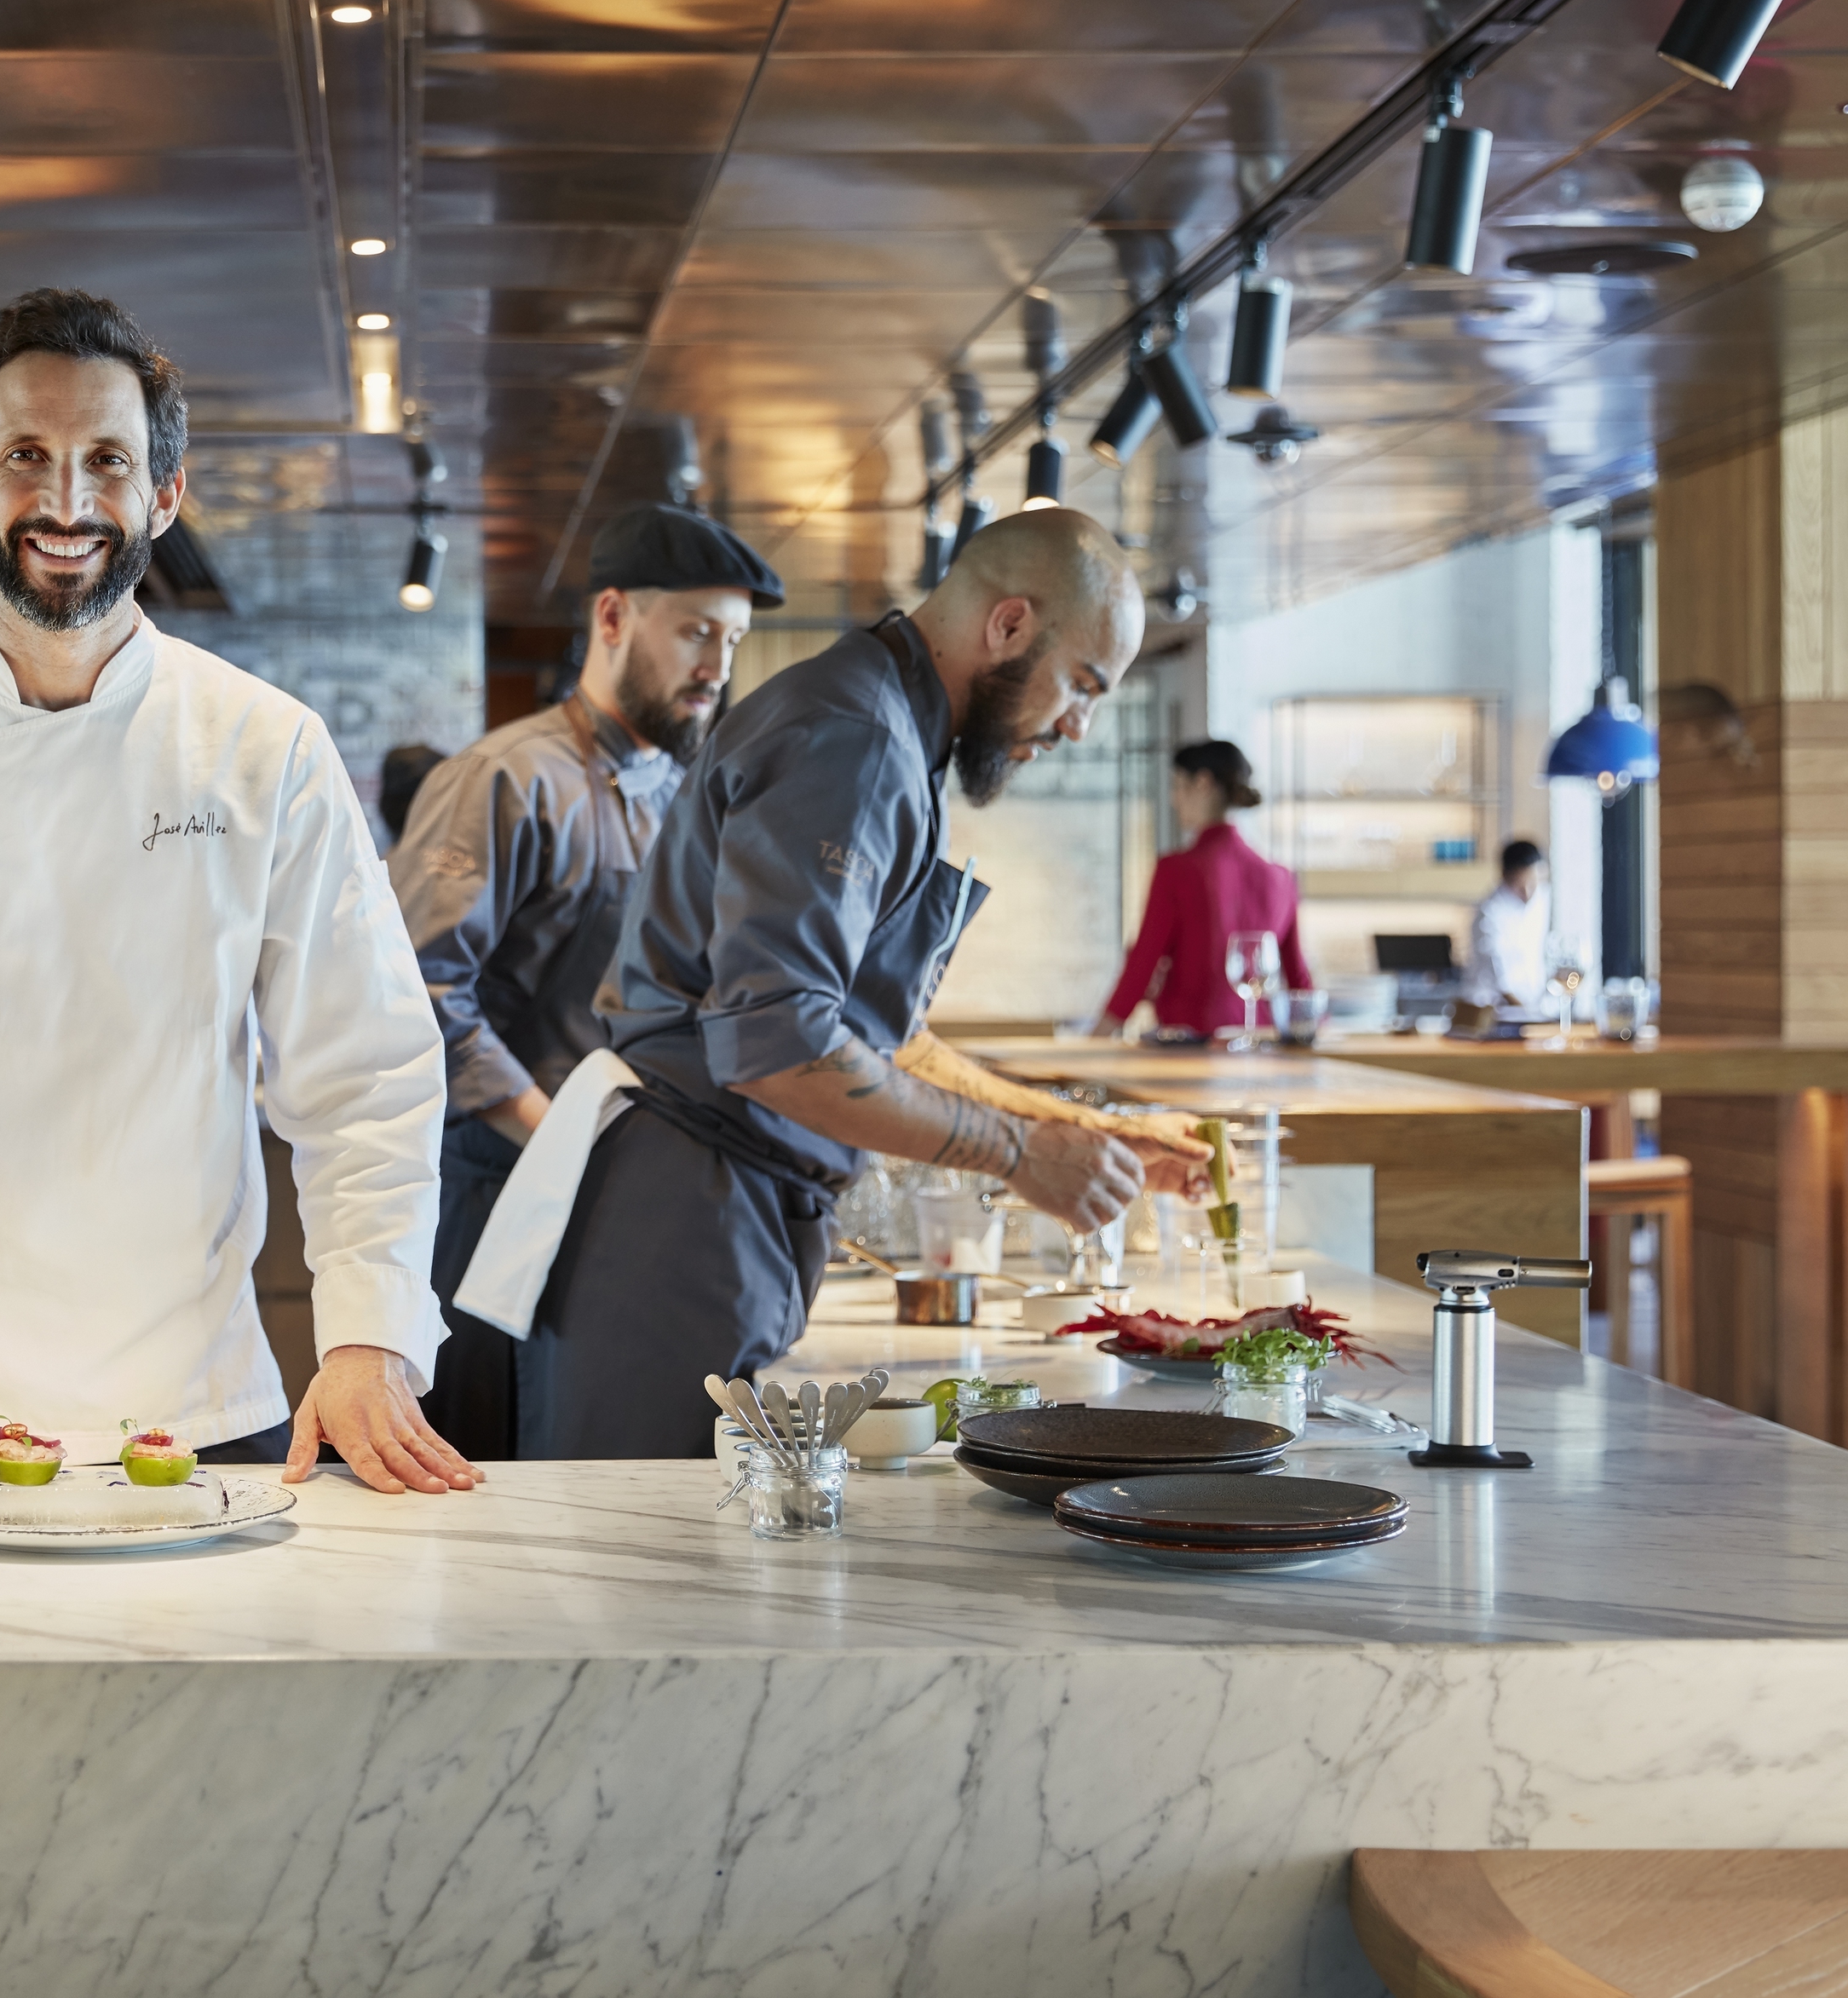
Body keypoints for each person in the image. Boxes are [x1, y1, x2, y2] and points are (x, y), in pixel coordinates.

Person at [0, 287, 477, 1496]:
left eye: (107, 460)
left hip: (190, 1404)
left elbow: (367, 1072)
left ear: (165, 493)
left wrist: (369, 1332)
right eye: (26, 458)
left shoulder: (262, 750)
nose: (66, 503)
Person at [520, 509, 1214, 1459]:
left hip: (716, 1206)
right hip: (681, 1220)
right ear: (1008, 626)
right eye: (1082, 685)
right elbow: (784, 1045)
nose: (1078, 726)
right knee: (649, 1569)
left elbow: (878, 1039)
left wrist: (1082, 1130)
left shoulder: (882, 723)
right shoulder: (853, 737)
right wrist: (1018, 1156)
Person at [389, 501, 773, 1458]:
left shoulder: (680, 794)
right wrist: (554, 1136)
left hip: (617, 1205)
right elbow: (417, 993)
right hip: (491, 1198)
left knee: (592, 1474)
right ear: (611, 618)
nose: (715, 666)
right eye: (694, 632)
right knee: (485, 1476)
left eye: (730, 640)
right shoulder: (505, 779)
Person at [1093, 738, 1312, 1042]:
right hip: (1261, 1045)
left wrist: (1096, 1037)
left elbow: (1142, 965)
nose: (1173, 798)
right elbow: (1299, 978)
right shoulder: (1280, 877)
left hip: (1192, 1046)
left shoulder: (1176, 871)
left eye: (1177, 785)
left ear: (1203, 783)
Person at [1469, 838, 1549, 1005]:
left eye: (1533, 884)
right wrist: (1531, 1015)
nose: (1527, 893)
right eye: (1520, 886)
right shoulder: (1489, 913)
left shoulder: (1543, 899)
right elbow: (1502, 982)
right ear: (1505, 876)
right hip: (1495, 1010)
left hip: (1535, 1005)